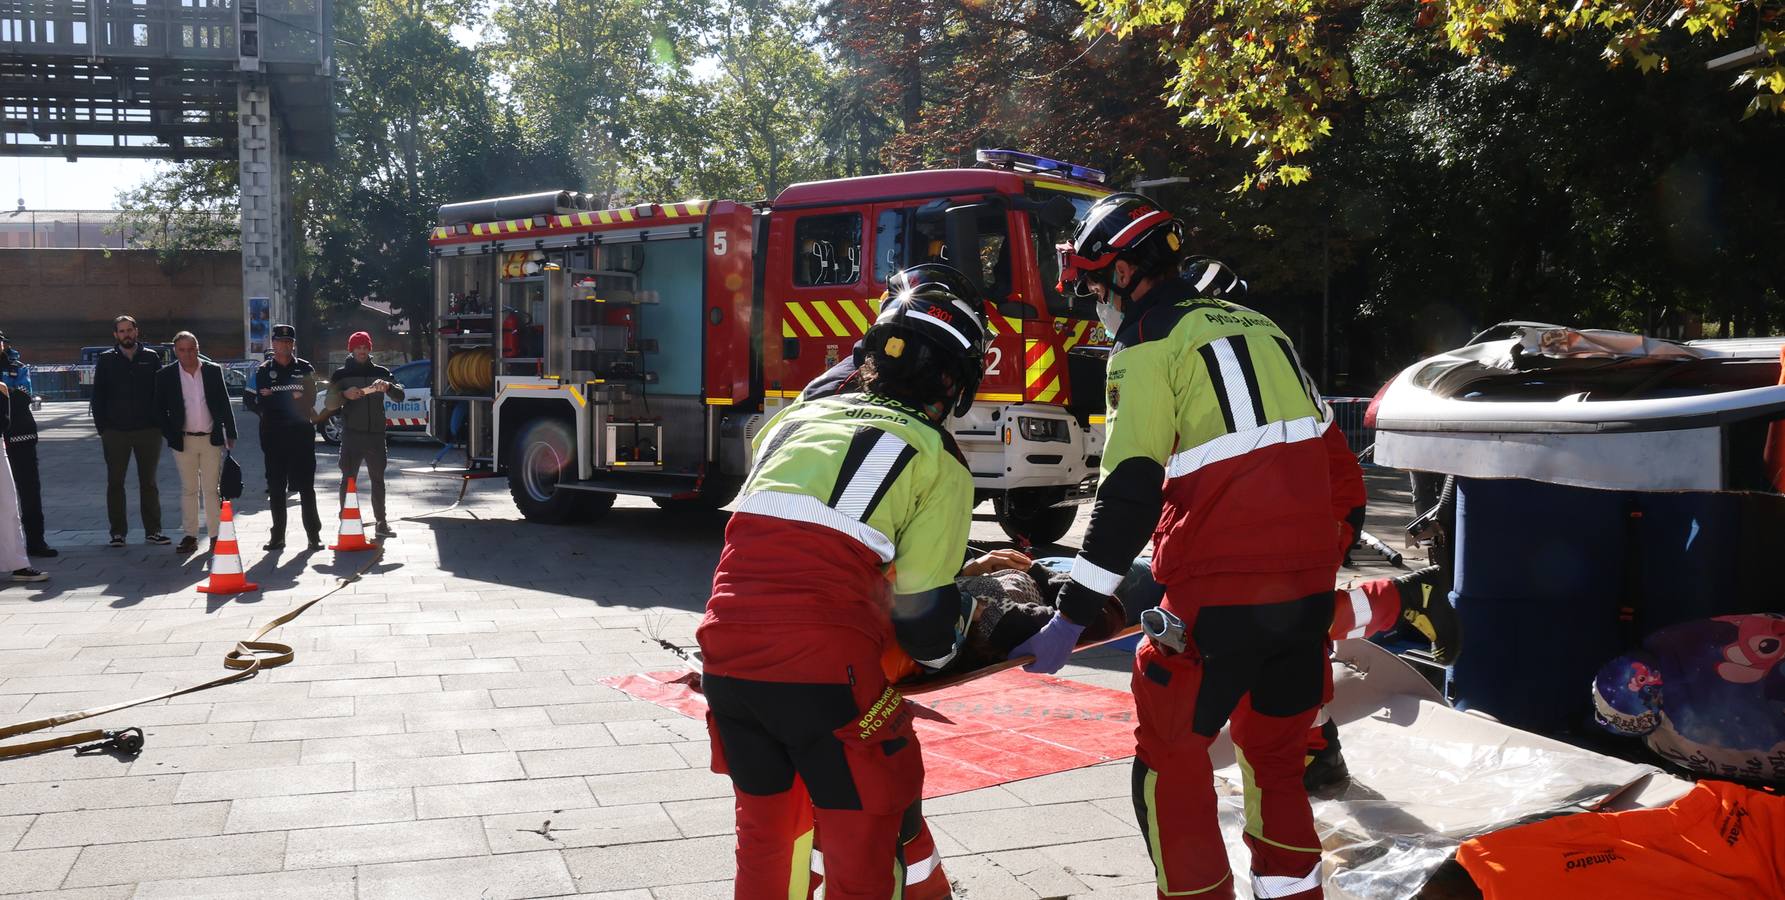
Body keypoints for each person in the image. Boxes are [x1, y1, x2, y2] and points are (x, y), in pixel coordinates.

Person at [1034, 192, 1337, 900]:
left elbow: (1129, 491)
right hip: (1307, 589)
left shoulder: (1147, 341)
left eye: (1094, 280)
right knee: (1276, 763)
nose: (1093, 298)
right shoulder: (1264, 327)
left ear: (1125, 273)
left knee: (1170, 762)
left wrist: (1073, 612)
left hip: (1219, 593)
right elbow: (1321, 450)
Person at [696, 264, 989, 900]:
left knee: (769, 842)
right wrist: (954, 638)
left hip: (726, 662)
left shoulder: (790, 425)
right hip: (826, 675)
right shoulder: (939, 461)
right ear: (954, 382)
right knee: (865, 840)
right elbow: (922, 617)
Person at [155, 332, 238, 555]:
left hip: (211, 439)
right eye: (182, 350)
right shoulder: (166, 375)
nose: (187, 354)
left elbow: (223, 402)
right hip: (183, 440)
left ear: (198, 348)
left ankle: (214, 535)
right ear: (175, 351)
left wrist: (231, 432)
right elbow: (159, 410)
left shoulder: (212, 371)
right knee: (189, 488)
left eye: (191, 349)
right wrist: (170, 434)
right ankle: (190, 535)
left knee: (212, 489)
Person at [90, 315, 168, 547]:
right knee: (115, 483)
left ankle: (153, 531)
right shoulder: (106, 360)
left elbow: (160, 392)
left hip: (148, 431)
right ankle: (117, 533)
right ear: (115, 335)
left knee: (149, 483)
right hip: (115, 432)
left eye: (129, 330)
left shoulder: (151, 357)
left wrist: (159, 424)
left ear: (136, 331)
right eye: (121, 331)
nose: (126, 334)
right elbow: (98, 396)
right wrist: (102, 427)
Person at [323, 331, 402, 537]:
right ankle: (346, 521)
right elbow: (329, 403)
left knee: (378, 480)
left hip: (376, 435)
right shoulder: (341, 374)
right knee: (348, 479)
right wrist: (344, 395)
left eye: (365, 347)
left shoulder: (382, 371)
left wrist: (388, 387)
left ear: (370, 349)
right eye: (358, 347)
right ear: (352, 349)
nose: (362, 351)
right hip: (351, 435)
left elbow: (400, 395)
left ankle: (381, 522)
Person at [253, 324, 322, 552]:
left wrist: (276, 394)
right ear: (273, 343)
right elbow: (261, 402)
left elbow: (310, 399)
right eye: (280, 341)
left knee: (306, 487)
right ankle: (278, 536)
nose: (285, 345)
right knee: (276, 487)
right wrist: (291, 395)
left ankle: (313, 535)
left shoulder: (304, 367)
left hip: (301, 434)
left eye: (289, 341)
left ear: (293, 344)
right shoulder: (264, 370)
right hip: (273, 436)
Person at [0, 333, 53, 557]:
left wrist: (7, 391)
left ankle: (36, 541)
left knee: (29, 490)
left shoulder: (18, 366)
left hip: (20, 436)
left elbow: (25, 396)